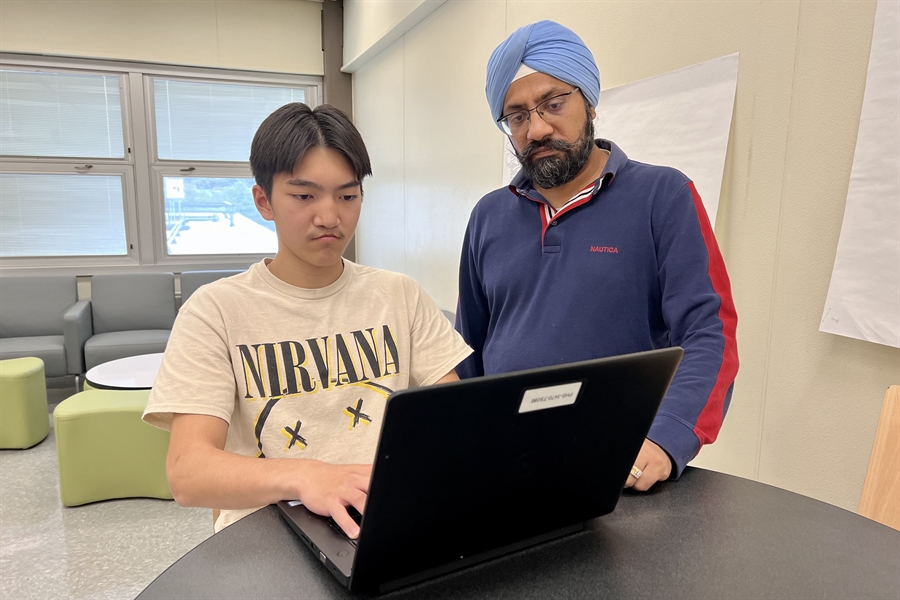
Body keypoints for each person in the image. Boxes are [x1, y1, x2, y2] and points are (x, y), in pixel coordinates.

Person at [143, 103, 472, 536]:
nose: (330, 217)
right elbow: (188, 472)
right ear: (264, 200)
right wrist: (307, 475)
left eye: (347, 196)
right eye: (304, 195)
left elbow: (455, 421)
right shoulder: (215, 311)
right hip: (272, 531)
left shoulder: (399, 294)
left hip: (386, 518)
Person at [456, 21, 739, 491]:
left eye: (553, 103)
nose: (538, 127)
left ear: (589, 102)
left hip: (618, 467)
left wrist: (666, 440)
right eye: (518, 116)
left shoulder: (663, 196)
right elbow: (470, 349)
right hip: (507, 466)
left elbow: (711, 333)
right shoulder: (489, 215)